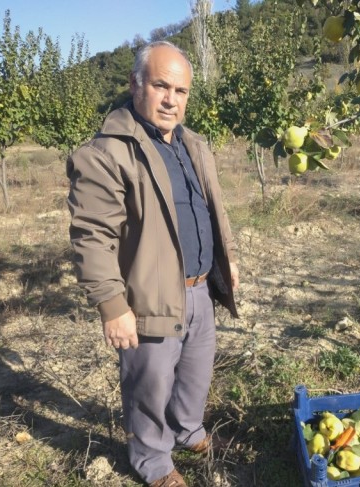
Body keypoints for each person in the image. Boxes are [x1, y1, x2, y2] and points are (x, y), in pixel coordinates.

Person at [67, 41, 239, 487]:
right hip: (150, 294)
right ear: (135, 84)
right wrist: (111, 303)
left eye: (180, 91)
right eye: (161, 85)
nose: (171, 99)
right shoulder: (107, 153)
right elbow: (92, 235)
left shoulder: (192, 144)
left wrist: (226, 260)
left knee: (196, 373)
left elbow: (209, 209)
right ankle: (152, 461)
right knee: (150, 385)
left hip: (200, 288)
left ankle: (188, 430)